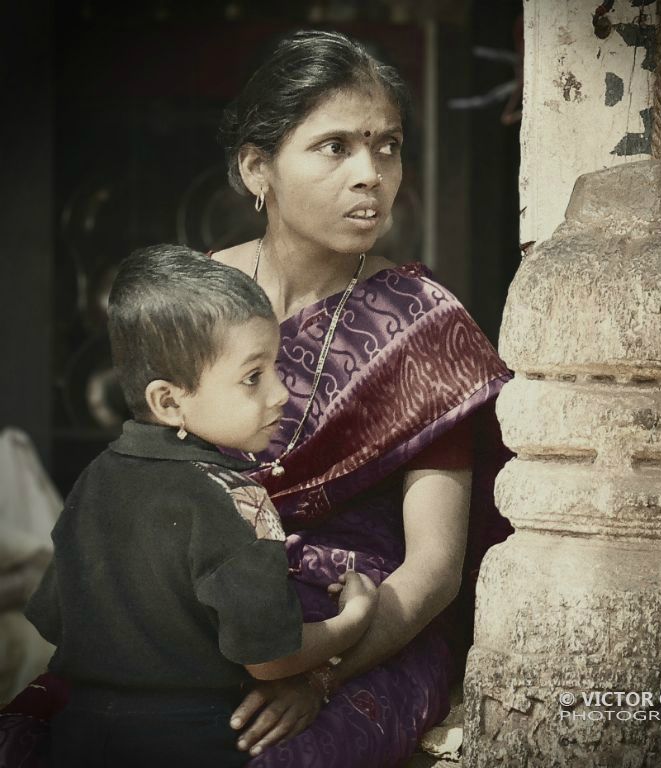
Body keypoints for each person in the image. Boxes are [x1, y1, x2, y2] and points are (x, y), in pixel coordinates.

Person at [0, 30, 512, 768]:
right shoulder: (196, 302)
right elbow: (150, 488)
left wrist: (323, 672)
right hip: (195, 609)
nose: (371, 173)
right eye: (334, 146)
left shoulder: (422, 327)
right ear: (256, 168)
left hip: (359, 623)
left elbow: (431, 569)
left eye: (388, 145)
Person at [23, 245, 380, 768]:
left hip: (76, 738)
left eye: (275, 367)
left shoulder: (93, 480)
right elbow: (270, 659)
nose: (281, 393)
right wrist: (354, 619)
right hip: (193, 743)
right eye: (253, 376)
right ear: (169, 400)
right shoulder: (236, 497)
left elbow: (55, 618)